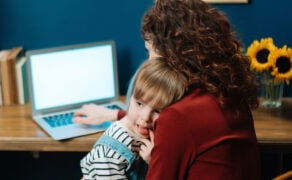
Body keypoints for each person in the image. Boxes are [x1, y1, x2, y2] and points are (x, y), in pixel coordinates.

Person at [76, 0, 261, 179]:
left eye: (150, 52)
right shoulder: (224, 91)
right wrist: (115, 115)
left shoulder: (179, 117)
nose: (149, 62)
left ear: (175, 54)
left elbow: (179, 125)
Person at [80, 57, 187, 180]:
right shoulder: (110, 153)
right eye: (140, 104)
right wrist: (155, 164)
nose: (146, 117)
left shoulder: (154, 136)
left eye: (157, 111)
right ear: (130, 97)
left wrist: (153, 162)